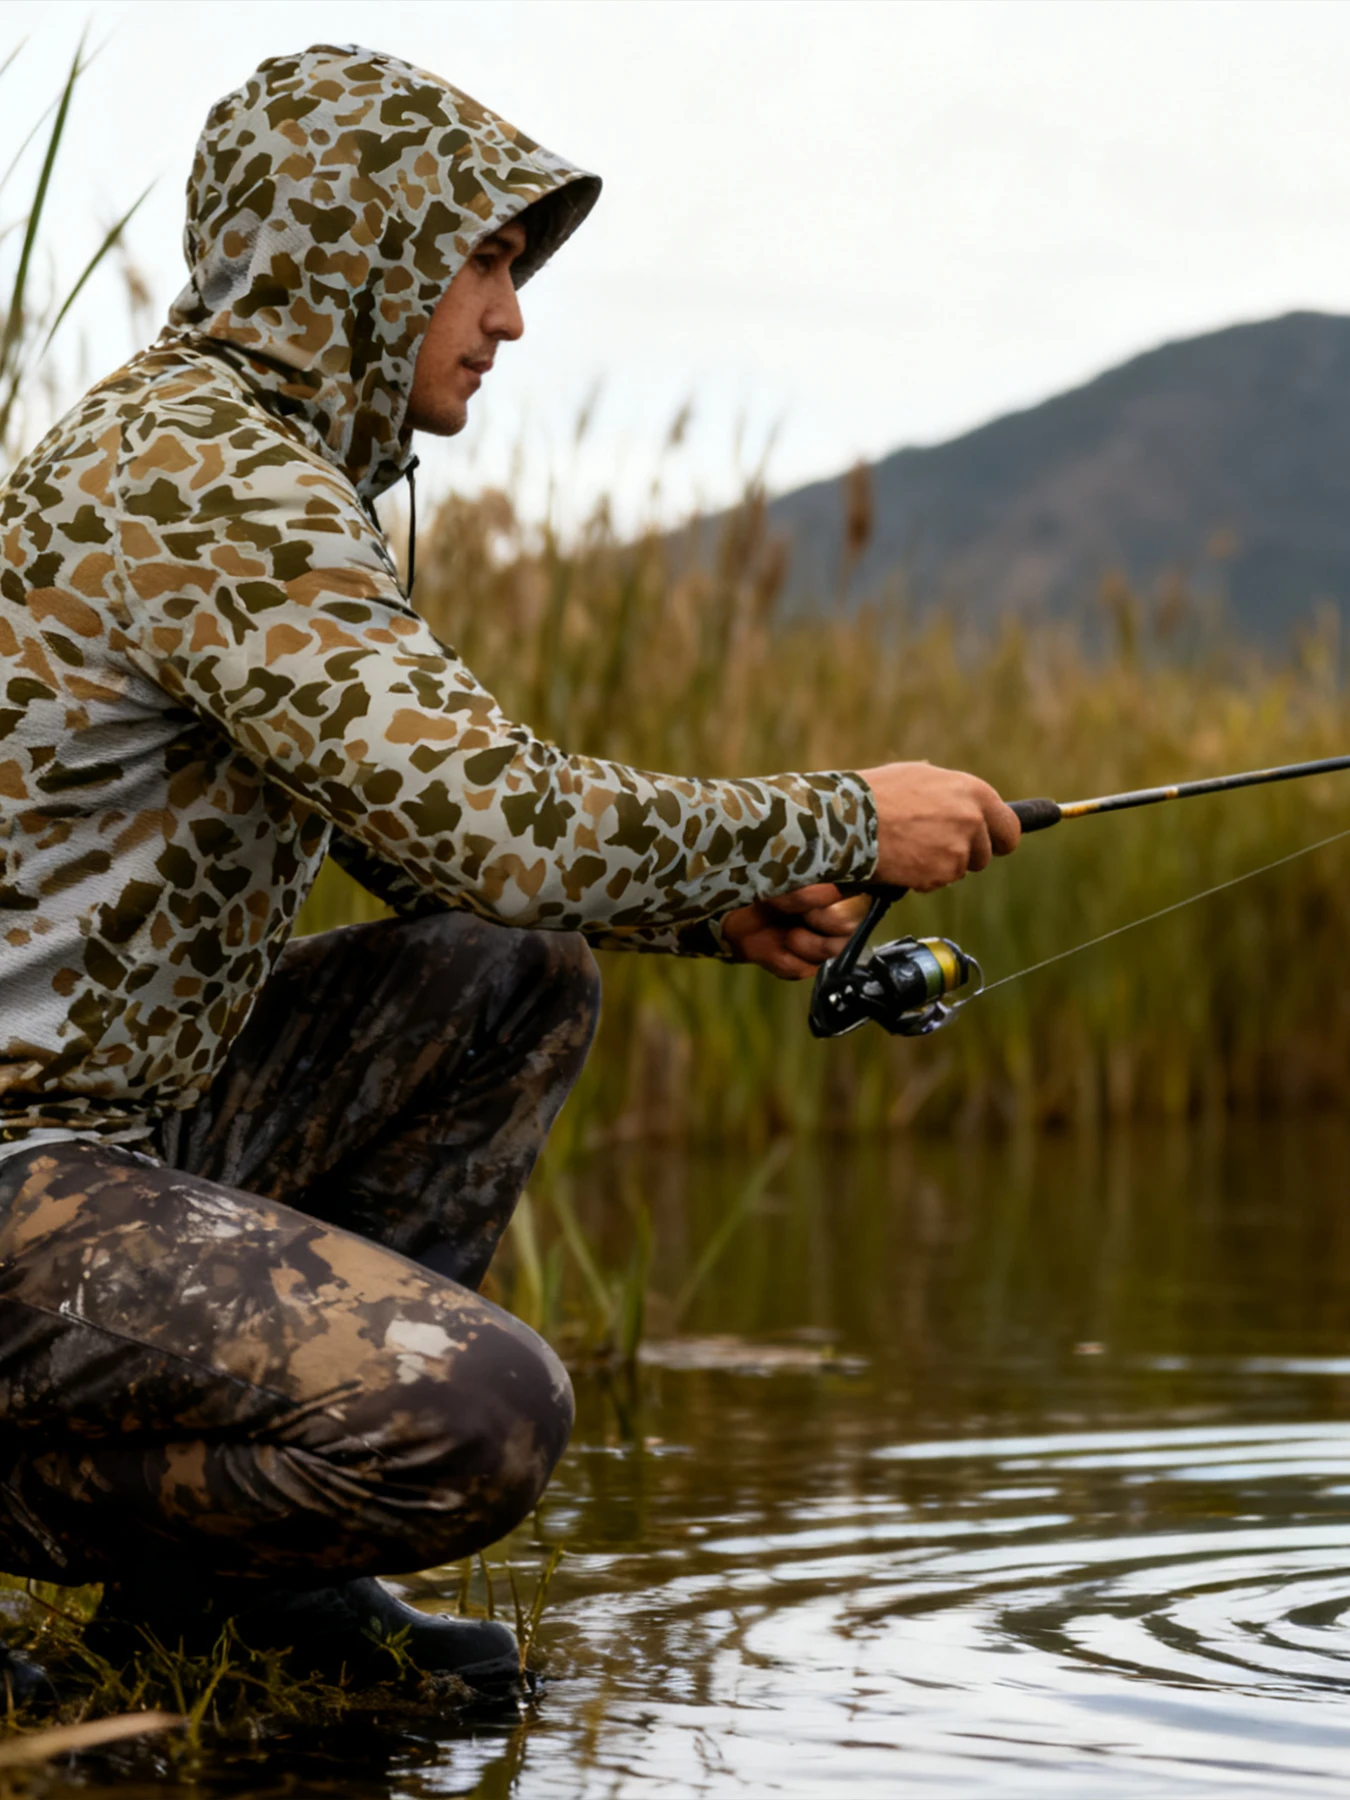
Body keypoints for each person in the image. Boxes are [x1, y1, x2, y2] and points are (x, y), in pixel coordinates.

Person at [0, 43, 1019, 1694]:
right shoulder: (205, 482)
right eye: (487, 258)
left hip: (102, 1138)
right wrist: (842, 815)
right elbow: (504, 820)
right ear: (364, 250)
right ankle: (191, 1575)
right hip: (18, 1165)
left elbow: (449, 857)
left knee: (505, 972)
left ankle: (253, 1603)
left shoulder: (262, 472)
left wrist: (711, 904)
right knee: (478, 1412)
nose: (514, 313)